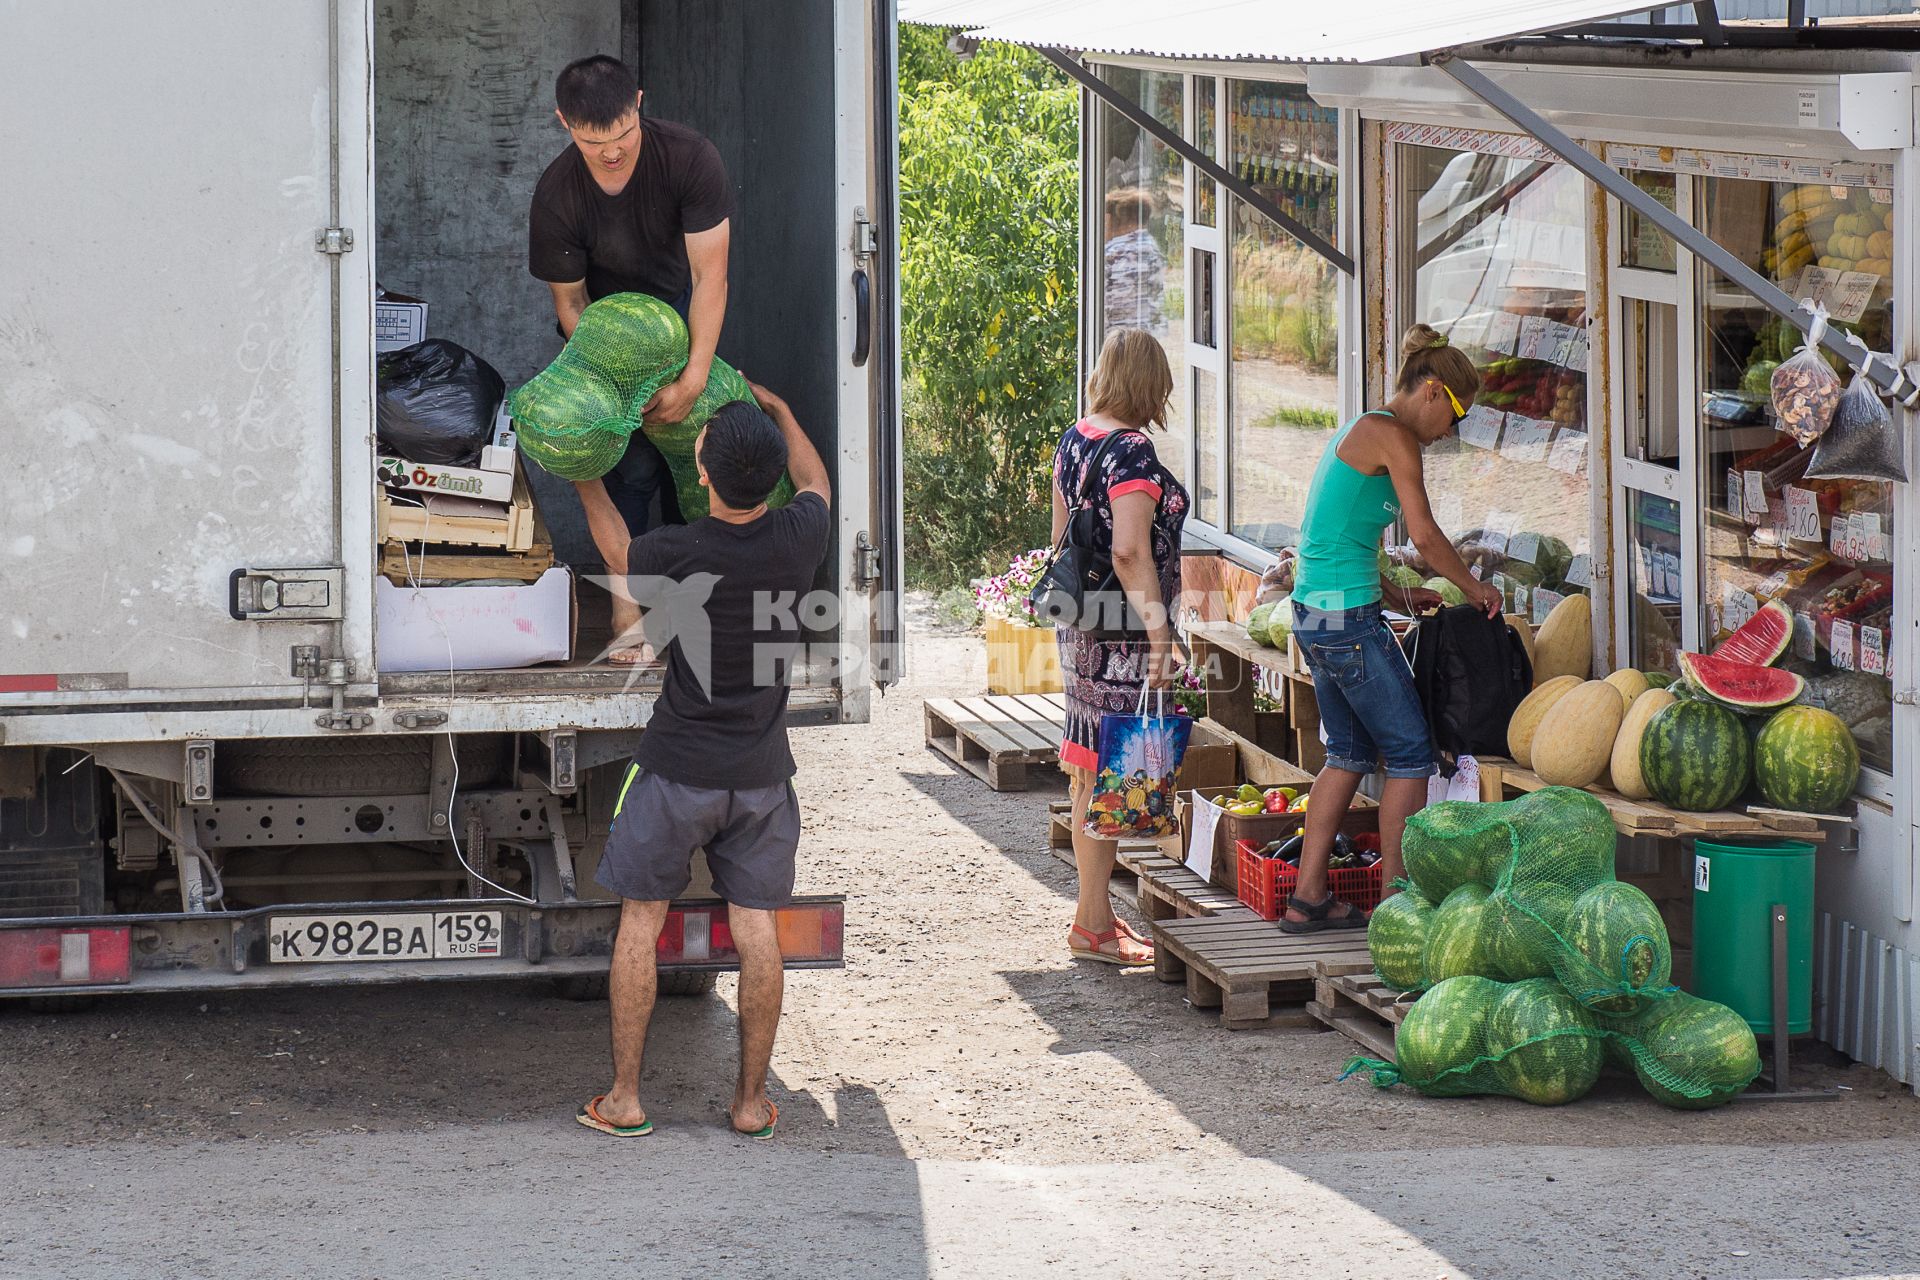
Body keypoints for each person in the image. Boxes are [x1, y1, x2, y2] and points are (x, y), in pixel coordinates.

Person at [575, 384, 831, 1140]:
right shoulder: (799, 537)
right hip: (760, 781)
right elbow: (818, 482)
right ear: (770, 474)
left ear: (703, 470)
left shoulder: (677, 551)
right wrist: (785, 412)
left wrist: (582, 468)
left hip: (675, 772)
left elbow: (617, 548)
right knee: (758, 934)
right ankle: (751, 1104)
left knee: (639, 926)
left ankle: (625, 1098)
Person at [1281, 324, 1499, 934]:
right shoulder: (1394, 436)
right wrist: (1477, 588)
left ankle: (1308, 897)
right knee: (1410, 755)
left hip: (1316, 613)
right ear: (1432, 392)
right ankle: (1396, 908)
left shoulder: (1366, 427)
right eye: (1456, 415)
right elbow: (1425, 537)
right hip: (1346, 623)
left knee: (1347, 753)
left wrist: (1400, 593)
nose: (1451, 432)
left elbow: (1337, 539)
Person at [528, 54, 735, 663]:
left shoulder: (689, 158)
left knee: (697, 469)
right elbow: (570, 303)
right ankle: (627, 607)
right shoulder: (557, 194)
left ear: (639, 103)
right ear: (565, 123)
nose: (612, 152)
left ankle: (695, 614)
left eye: (622, 135)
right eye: (595, 143)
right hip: (600, 335)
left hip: (681, 317)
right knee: (627, 470)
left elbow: (710, 274)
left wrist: (694, 374)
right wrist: (613, 379)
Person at [1053, 328, 1190, 966]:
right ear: (1150, 383)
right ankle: (1093, 923)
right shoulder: (1131, 452)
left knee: (1091, 767)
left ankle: (1093, 922)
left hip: (1083, 624)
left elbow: (1061, 540)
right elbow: (1129, 549)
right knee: (1115, 767)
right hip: (1126, 632)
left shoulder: (1078, 437)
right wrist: (1161, 629)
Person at [1102, 188, 1165, 334]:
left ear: (1110, 219)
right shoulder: (1151, 247)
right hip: (1147, 336)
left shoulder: (1115, 253)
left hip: (1120, 340)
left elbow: (1109, 307)